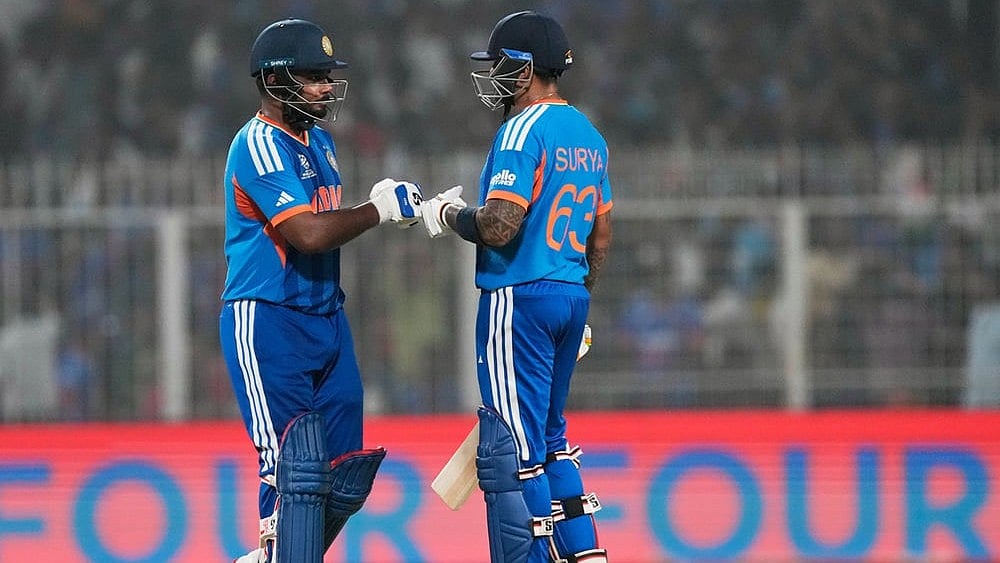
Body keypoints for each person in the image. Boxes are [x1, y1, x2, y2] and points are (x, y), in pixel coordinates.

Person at [219, 18, 423, 563]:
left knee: (345, 474)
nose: (327, 87)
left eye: (327, 76)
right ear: (276, 80)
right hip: (269, 318)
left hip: (326, 318)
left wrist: (377, 205)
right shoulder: (259, 143)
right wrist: (377, 209)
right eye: (314, 77)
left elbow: (326, 221)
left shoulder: (321, 141)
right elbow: (305, 233)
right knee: (295, 468)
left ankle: (274, 557)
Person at [420, 10, 612, 563]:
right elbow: (600, 236)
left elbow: (500, 225)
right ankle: (585, 555)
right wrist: (577, 297)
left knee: (512, 449)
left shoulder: (521, 129)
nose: (494, 75)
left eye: (501, 64)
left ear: (526, 69)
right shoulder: (589, 135)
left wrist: (447, 213)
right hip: (569, 296)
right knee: (552, 440)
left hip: (518, 299)